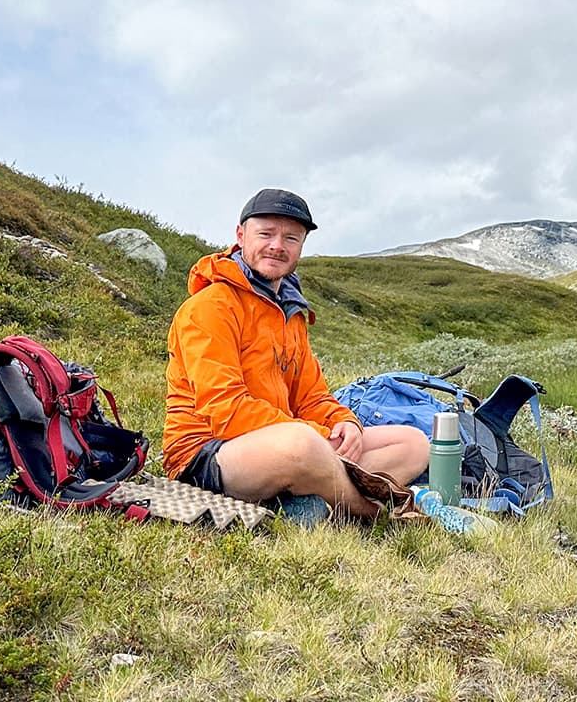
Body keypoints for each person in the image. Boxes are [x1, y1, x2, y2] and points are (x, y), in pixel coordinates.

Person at [163, 188, 430, 518]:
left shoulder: (289, 313)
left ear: (301, 246)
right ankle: (369, 514)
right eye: (266, 234)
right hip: (207, 454)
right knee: (302, 445)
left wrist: (344, 424)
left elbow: (312, 397)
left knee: (412, 443)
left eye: (291, 238)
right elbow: (225, 410)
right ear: (241, 235)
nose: (277, 246)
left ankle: (312, 498)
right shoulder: (209, 308)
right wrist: (317, 439)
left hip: (286, 443)